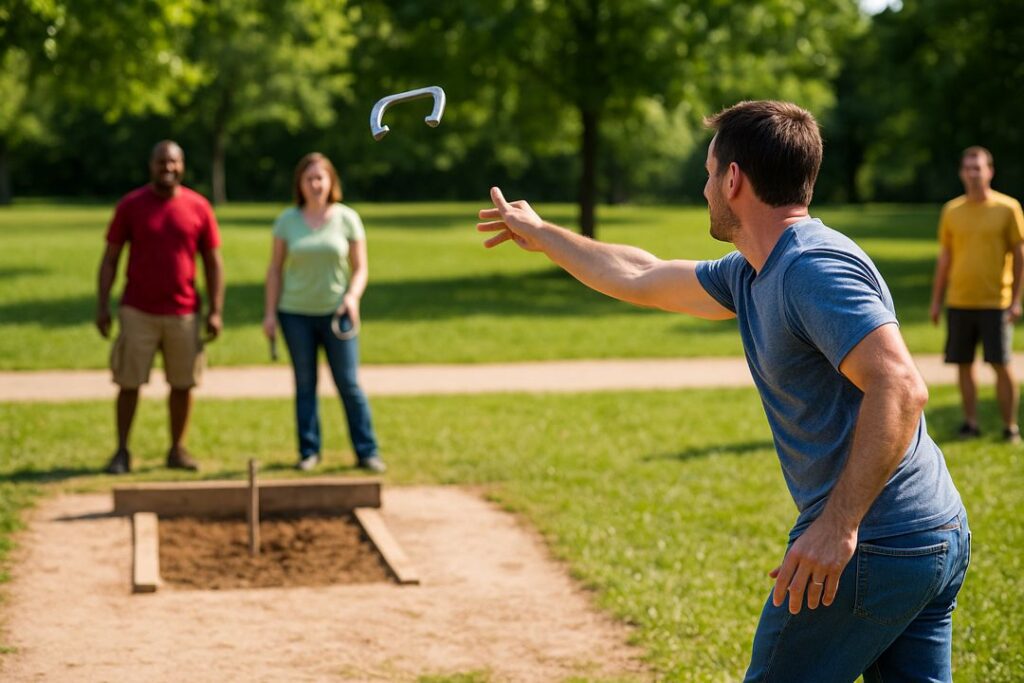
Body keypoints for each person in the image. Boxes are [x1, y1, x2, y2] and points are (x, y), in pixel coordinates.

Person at [477, 101, 968, 682]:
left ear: (733, 179)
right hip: (927, 532)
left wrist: (837, 526)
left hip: (874, 539)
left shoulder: (811, 267)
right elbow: (640, 274)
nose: (704, 186)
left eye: (710, 172)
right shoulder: (755, 270)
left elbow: (902, 387)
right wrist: (542, 234)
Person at [96, 140, 224, 474]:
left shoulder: (198, 207)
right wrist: (103, 306)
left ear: (182, 165)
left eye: (174, 162)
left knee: (182, 384)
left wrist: (215, 309)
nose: (167, 168)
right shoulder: (131, 205)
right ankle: (122, 451)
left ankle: (177, 449)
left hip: (183, 311)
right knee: (128, 382)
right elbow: (110, 259)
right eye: (161, 162)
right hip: (138, 309)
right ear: (150, 165)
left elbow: (213, 263)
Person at [263, 152, 385, 473]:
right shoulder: (287, 221)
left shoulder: (347, 218)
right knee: (305, 385)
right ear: (300, 184)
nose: (315, 184)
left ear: (331, 182)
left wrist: (353, 297)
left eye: (321, 178)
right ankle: (309, 451)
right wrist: (270, 314)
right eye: (309, 179)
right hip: (295, 313)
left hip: (337, 312)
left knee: (348, 383)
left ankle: (366, 451)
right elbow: (275, 269)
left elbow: (361, 268)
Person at [929, 146, 1024, 443]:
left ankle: (1010, 427)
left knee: (1001, 364)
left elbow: (1020, 255)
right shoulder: (952, 211)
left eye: (978, 167)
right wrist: (936, 300)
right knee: (963, 365)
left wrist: (1016, 300)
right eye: (968, 168)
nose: (973, 173)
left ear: (990, 171)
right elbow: (945, 258)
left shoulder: (1007, 208)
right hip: (960, 300)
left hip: (996, 302)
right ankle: (971, 423)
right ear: (961, 173)